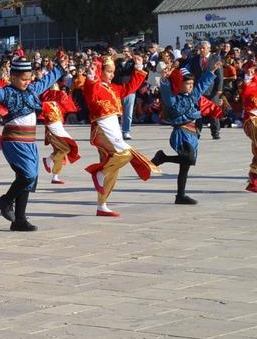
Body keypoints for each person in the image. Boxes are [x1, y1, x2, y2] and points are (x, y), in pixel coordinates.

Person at [0, 54, 68, 232]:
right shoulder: (7, 92)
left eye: (29, 79)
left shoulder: (32, 90)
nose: (27, 82)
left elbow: (47, 79)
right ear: (13, 77)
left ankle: (19, 220)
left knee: (29, 179)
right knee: (27, 175)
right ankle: (5, 201)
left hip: (29, 141)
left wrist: (59, 67)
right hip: (14, 141)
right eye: (23, 79)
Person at [82, 55, 158, 217]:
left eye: (112, 72)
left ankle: (102, 204)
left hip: (113, 127)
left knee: (113, 168)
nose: (111, 75)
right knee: (124, 154)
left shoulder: (114, 88)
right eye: (108, 71)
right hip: (102, 127)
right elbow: (90, 92)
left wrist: (138, 68)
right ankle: (99, 173)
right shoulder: (94, 86)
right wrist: (91, 75)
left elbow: (129, 88)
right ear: (100, 71)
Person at [151, 61, 219, 204]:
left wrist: (211, 71)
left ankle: (180, 195)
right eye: (187, 83)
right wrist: (164, 80)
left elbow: (202, 85)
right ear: (179, 84)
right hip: (181, 132)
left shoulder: (193, 95)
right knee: (188, 158)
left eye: (191, 83)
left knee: (186, 166)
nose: (191, 86)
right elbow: (166, 93)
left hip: (193, 132)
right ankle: (162, 157)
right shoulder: (173, 100)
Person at [39, 82, 80, 185]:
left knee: (60, 153)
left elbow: (68, 104)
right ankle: (48, 159)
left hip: (59, 129)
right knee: (66, 149)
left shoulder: (57, 105)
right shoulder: (45, 104)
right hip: (52, 132)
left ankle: (55, 177)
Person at [241, 70, 257, 193]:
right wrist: (248, 80)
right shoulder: (251, 82)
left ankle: (254, 180)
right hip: (252, 117)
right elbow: (246, 94)